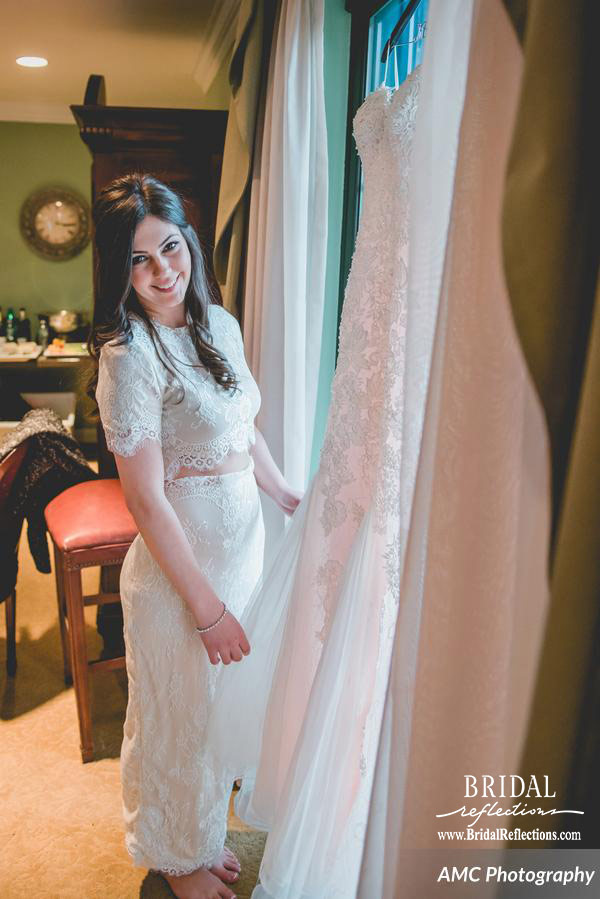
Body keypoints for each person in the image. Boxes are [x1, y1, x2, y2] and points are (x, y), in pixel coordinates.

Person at [90, 173, 301, 899]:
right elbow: (145, 499)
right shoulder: (129, 356)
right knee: (175, 719)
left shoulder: (221, 325)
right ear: (119, 270)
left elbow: (243, 426)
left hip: (240, 553)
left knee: (214, 715)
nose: (162, 272)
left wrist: (283, 491)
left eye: (170, 248)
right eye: (139, 259)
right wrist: (207, 610)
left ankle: (201, 838)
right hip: (180, 577)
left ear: (189, 242)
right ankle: (176, 860)